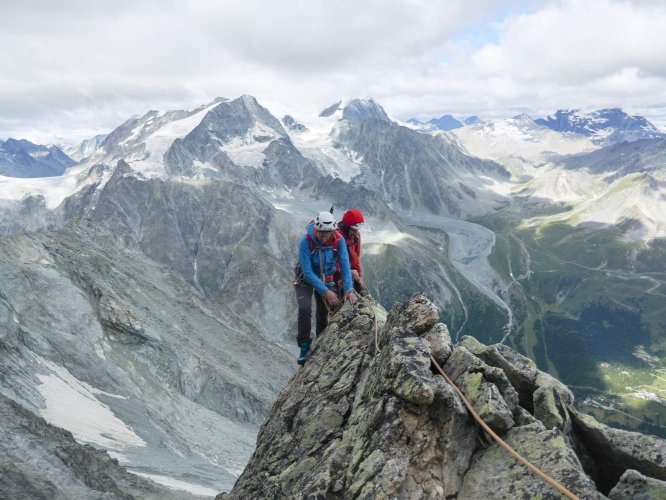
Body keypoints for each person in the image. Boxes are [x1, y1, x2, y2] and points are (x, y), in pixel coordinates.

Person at [294, 211, 358, 365]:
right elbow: (308, 272)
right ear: (315, 229)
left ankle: (321, 344)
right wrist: (325, 291)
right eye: (321, 233)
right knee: (304, 309)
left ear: (333, 231)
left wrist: (349, 289)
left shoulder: (339, 240)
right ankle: (304, 346)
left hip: (327, 278)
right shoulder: (305, 242)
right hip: (305, 279)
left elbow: (344, 265)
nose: (323, 237)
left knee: (328, 310)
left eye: (327, 234)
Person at [338, 209, 365, 293]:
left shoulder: (356, 236)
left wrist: (359, 276)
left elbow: (356, 257)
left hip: (351, 273)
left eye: (357, 230)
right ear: (346, 227)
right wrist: (349, 272)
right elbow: (331, 263)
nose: (355, 232)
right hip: (337, 275)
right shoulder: (336, 237)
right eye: (353, 230)